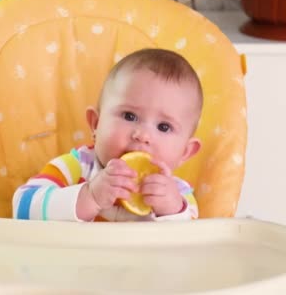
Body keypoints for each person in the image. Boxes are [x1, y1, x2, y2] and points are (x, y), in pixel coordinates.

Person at [13, 48, 203, 221]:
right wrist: (88, 197)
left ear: (185, 152)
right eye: (129, 116)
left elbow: (190, 246)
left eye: (164, 127)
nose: (142, 135)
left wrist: (171, 211)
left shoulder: (178, 195)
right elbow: (22, 209)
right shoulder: (76, 168)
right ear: (96, 124)